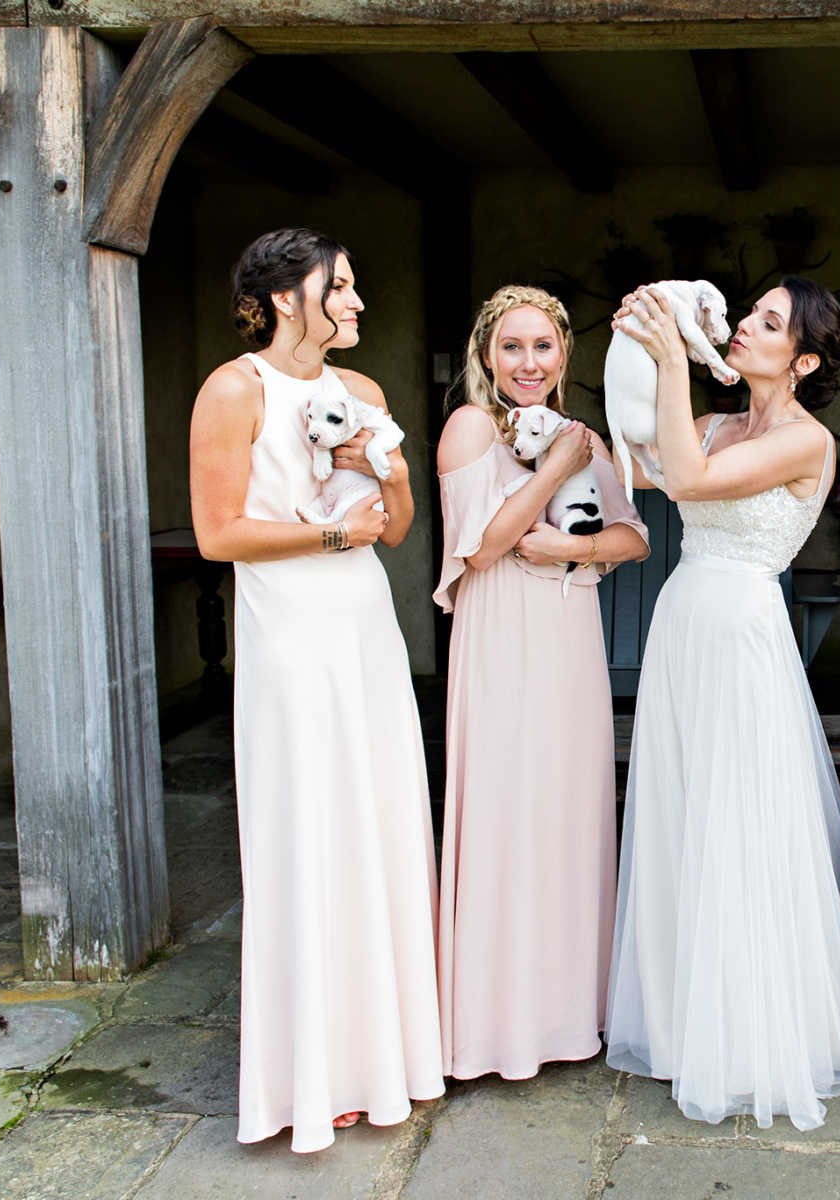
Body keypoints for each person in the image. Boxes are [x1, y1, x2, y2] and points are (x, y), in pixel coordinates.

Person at [188, 228, 442, 1152]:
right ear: (288, 297)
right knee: (308, 827)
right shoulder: (234, 388)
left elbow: (396, 527)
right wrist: (332, 536)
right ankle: (314, 1072)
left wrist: (395, 480)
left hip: (363, 628)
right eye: (340, 288)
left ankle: (391, 1055)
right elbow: (219, 534)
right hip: (289, 634)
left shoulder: (363, 394)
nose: (357, 304)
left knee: (375, 820)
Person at [603, 277, 840, 1132]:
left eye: (770, 323)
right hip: (683, 621)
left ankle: (747, 1037)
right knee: (680, 814)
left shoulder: (804, 439)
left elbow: (692, 480)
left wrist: (677, 360)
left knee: (739, 818)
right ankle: (681, 1026)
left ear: (806, 358)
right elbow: (642, 468)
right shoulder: (716, 420)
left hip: (743, 627)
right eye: (749, 313)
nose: (745, 326)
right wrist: (635, 353)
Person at [433, 285, 648, 1082]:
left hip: (567, 638)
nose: (530, 363)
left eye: (544, 347)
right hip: (500, 637)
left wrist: (575, 550)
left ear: (564, 354)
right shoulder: (469, 428)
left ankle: (567, 1013)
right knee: (505, 809)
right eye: (513, 347)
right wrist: (554, 467)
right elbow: (482, 548)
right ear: (487, 354)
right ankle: (494, 1027)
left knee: (567, 810)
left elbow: (634, 538)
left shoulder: (587, 437)